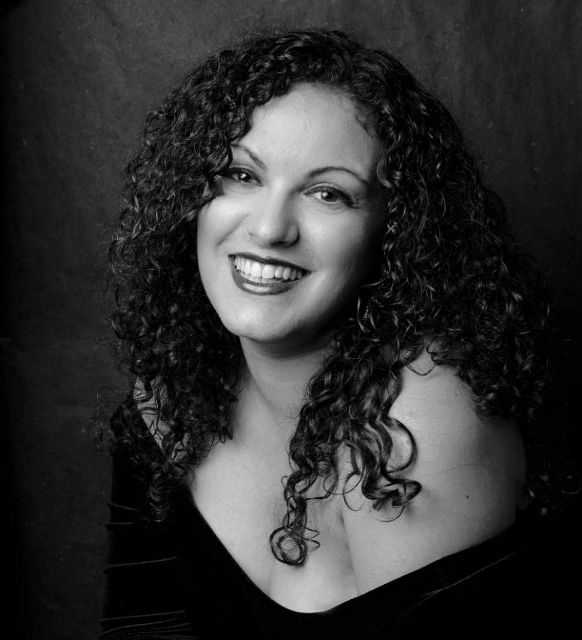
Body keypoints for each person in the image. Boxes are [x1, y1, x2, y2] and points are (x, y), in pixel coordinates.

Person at [102, 28, 554, 638]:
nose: (270, 228)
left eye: (328, 193)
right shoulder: (172, 398)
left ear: (394, 231)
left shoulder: (412, 435)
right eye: (241, 175)